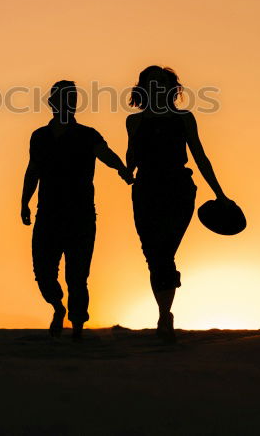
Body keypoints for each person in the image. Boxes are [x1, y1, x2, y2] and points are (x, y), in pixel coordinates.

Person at [21, 80, 133, 340]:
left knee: (77, 276)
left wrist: (122, 170)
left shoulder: (87, 134)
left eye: (70, 98)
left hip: (81, 215)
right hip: (47, 214)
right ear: (52, 103)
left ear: (74, 103)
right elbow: (32, 170)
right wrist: (24, 201)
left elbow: (105, 153)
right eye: (61, 98)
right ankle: (58, 307)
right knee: (43, 273)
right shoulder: (39, 137)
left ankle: (78, 327)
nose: (66, 103)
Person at [125, 65, 228, 342]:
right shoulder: (134, 122)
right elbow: (131, 158)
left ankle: (163, 317)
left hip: (178, 189)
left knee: (164, 252)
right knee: (153, 255)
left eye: (161, 81)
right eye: (150, 82)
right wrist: (126, 170)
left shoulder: (184, 118)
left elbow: (200, 156)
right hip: (145, 190)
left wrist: (220, 193)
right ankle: (165, 314)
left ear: (170, 87)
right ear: (143, 88)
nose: (156, 86)